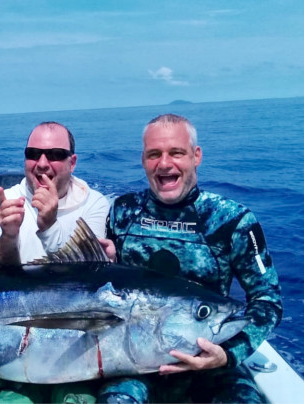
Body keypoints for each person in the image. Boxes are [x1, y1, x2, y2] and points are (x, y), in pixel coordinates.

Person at [100, 114, 282, 403]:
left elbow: (268, 300)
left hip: (210, 367)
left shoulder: (232, 219)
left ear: (196, 156)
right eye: (154, 154)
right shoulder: (123, 211)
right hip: (136, 366)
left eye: (176, 153)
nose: (164, 163)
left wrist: (227, 354)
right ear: (143, 160)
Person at [0, 121, 112, 265]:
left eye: (55, 154)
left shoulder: (94, 203)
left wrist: (49, 226)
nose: (42, 164)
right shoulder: (8, 200)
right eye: (33, 153)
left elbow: (87, 271)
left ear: (72, 163)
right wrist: (9, 237)